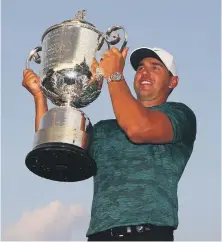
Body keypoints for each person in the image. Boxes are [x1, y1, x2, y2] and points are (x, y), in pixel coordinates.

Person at [22, 46, 197, 241]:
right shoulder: (104, 129)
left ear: (173, 81)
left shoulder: (179, 115)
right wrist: (39, 97)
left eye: (156, 67)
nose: (145, 72)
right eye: (140, 68)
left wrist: (114, 74)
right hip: (99, 236)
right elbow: (52, 147)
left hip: (149, 234)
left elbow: (138, 128)